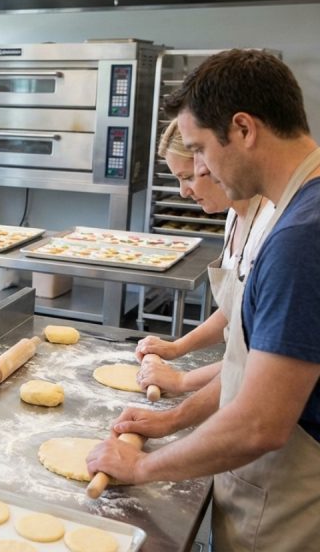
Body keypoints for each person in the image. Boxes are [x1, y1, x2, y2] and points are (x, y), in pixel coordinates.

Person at [87, 49, 320, 551]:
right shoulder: (300, 211)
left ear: (243, 129)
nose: (199, 169)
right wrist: (173, 418)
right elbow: (252, 366)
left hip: (288, 513)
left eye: (199, 150)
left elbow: (261, 421)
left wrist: (143, 466)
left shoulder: (305, 235)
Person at [134, 119, 273, 395]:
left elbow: (257, 361)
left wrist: (182, 380)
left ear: (213, 161)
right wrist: (177, 347)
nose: (184, 192)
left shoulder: (270, 229)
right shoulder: (235, 216)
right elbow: (234, 307)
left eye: (187, 177)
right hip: (234, 379)